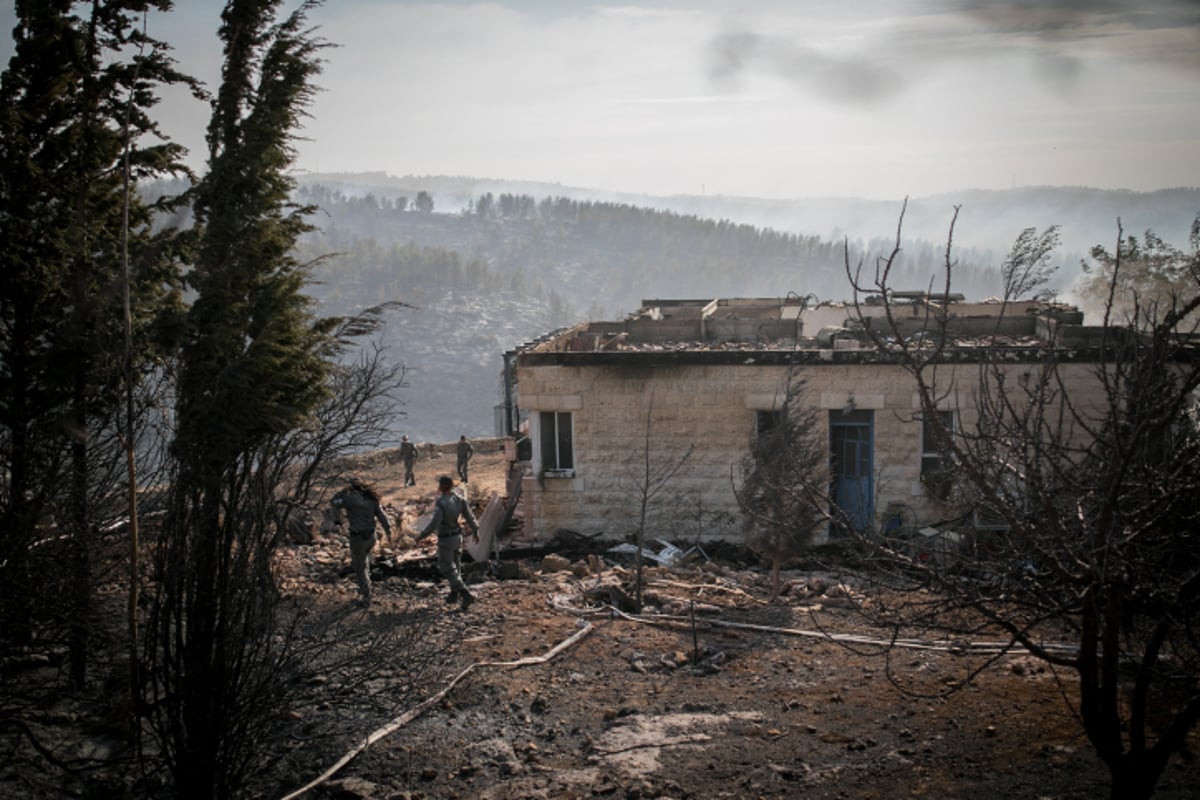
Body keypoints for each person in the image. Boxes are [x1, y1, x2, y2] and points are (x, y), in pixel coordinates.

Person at [420, 475, 479, 611]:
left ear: (441, 486)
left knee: (446, 567)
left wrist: (422, 535)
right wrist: (476, 532)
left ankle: (465, 594)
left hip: (446, 538)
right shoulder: (459, 499)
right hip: (457, 537)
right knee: (456, 566)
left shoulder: (441, 502)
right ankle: (453, 594)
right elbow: (470, 517)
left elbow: (435, 523)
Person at [331, 478, 391, 608]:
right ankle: (367, 587)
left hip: (358, 537)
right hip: (371, 536)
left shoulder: (350, 498)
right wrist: (389, 532)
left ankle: (366, 596)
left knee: (360, 567)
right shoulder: (372, 499)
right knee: (365, 561)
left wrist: (342, 492)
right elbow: (383, 517)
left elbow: (334, 502)